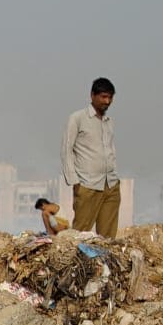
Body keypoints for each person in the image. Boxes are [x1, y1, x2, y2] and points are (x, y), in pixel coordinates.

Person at [61, 77, 120, 237]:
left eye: (110, 97)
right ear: (92, 95)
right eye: (103, 97)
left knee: (108, 238)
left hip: (111, 184)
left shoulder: (108, 121)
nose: (107, 101)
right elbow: (66, 149)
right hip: (87, 184)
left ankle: (104, 262)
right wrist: (74, 181)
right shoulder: (77, 118)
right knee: (80, 234)